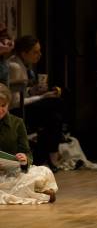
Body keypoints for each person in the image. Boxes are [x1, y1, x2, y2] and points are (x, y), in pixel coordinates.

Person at [8, 36, 64, 171]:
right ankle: (51, 155)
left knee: (54, 115)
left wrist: (32, 91)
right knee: (53, 108)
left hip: (22, 105)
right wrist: (42, 97)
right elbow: (15, 101)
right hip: (16, 110)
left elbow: (21, 92)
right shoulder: (15, 66)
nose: (39, 55)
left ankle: (46, 155)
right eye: (35, 52)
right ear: (24, 53)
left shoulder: (23, 65)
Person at [0, 83, 57, 204]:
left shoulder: (17, 123)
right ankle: (37, 194)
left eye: (3, 106)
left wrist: (25, 159)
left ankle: (33, 192)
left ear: (8, 104)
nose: (0, 109)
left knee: (43, 171)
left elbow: (27, 153)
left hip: (13, 173)